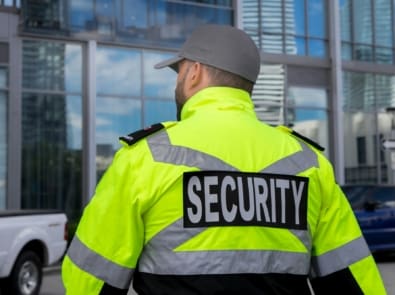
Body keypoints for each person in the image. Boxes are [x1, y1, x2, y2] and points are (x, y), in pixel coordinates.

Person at [62, 24, 386, 295]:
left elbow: (90, 279)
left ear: (194, 74)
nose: (177, 82)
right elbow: (353, 279)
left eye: (179, 73)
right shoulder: (308, 163)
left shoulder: (145, 157)